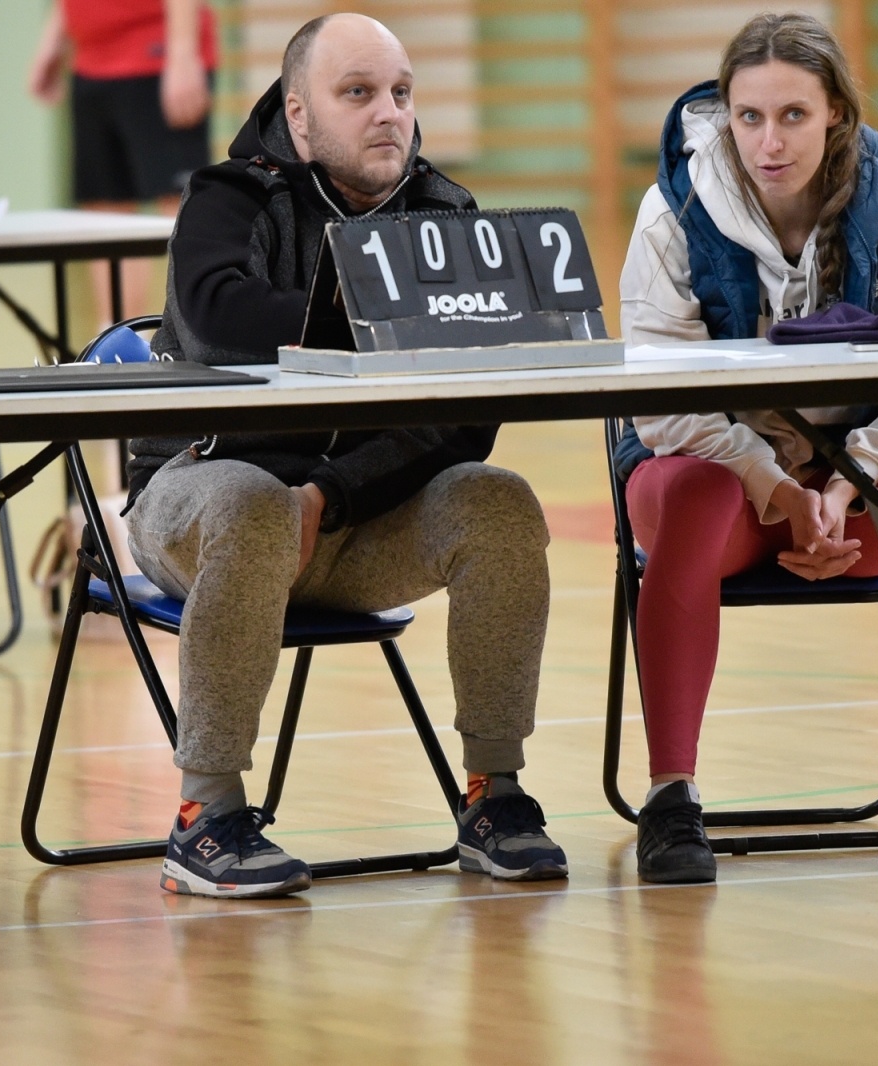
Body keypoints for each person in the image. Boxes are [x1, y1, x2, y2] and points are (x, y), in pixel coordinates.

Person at [123, 13, 568, 898]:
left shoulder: (448, 214)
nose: (388, 115)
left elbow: (462, 424)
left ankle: (494, 795)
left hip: (352, 518)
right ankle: (204, 816)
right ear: (298, 114)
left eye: (400, 93)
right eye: (357, 94)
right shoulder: (228, 196)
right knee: (252, 500)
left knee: (499, 499)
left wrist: (332, 491)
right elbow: (219, 320)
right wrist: (385, 320)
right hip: (197, 500)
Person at [618, 12, 878, 884]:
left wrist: (845, 484)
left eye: (793, 115)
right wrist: (778, 488)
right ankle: (672, 797)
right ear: (725, 114)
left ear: (836, 110)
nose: (769, 140)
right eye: (749, 116)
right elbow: (658, 399)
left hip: (851, 496)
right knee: (695, 491)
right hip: (721, 485)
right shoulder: (673, 209)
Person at [27, 0, 217, 322]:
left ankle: (197, 328)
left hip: (155, 54)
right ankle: (119, 334)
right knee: (104, 209)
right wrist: (53, 40)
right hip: (91, 61)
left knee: (179, 206)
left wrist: (182, 55)